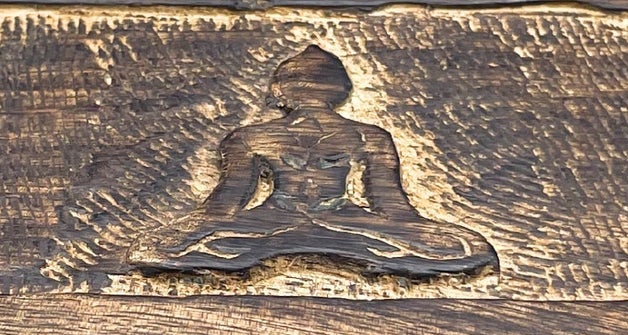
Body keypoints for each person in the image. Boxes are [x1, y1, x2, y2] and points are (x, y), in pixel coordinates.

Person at [129, 45, 496, 277]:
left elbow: (223, 208)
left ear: (280, 90)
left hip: (276, 224)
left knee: (162, 247)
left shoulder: (249, 137)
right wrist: (426, 235)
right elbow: (395, 211)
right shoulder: (369, 136)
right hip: (344, 226)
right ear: (340, 91)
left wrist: (182, 234)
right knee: (467, 247)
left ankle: (279, 247)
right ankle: (348, 251)